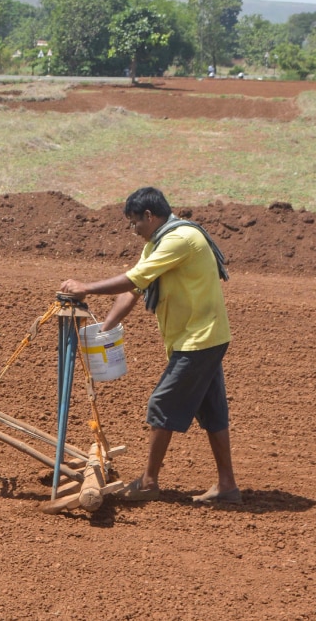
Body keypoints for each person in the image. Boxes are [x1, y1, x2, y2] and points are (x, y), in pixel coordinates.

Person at [59, 187, 240, 505]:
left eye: (134, 223)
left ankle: (148, 483)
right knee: (212, 411)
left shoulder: (179, 239)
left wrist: (86, 287)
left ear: (149, 216)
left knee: (161, 404)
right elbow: (134, 288)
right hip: (202, 337)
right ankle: (227, 486)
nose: (133, 231)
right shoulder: (158, 242)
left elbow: (134, 279)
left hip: (199, 340)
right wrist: (105, 328)